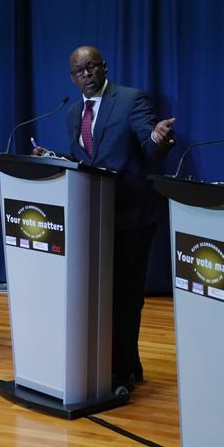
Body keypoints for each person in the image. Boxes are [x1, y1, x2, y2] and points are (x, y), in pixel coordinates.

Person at [35, 46, 175, 390]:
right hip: (94, 216)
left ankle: (122, 369)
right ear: (72, 77)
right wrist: (54, 158)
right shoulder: (72, 114)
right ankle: (125, 363)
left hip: (132, 216)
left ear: (103, 67)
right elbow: (83, 158)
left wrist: (159, 137)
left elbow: (150, 147)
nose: (86, 75)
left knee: (126, 296)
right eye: (79, 71)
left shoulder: (131, 100)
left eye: (91, 67)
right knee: (102, 294)